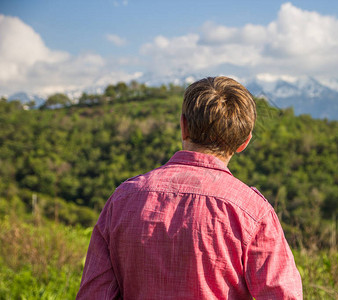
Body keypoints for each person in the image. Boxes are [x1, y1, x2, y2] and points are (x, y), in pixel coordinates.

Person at [76, 76, 303, 299]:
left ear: (183, 126)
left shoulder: (123, 199)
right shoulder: (252, 212)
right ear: (245, 141)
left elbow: (94, 293)